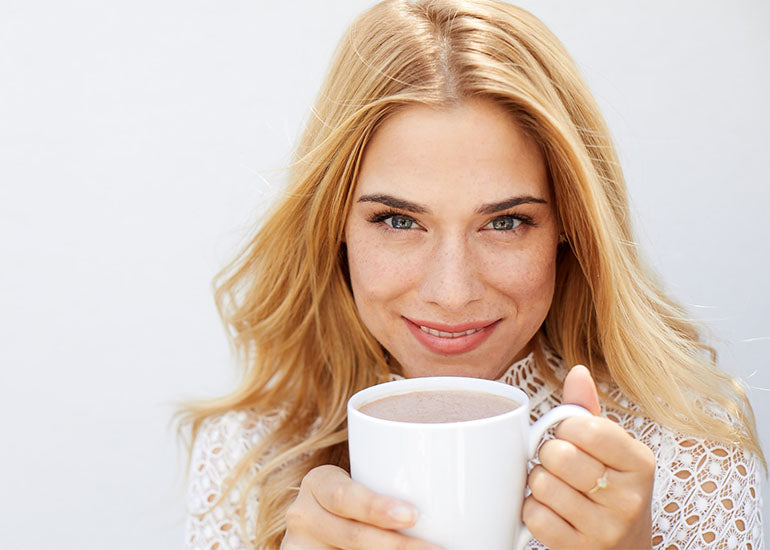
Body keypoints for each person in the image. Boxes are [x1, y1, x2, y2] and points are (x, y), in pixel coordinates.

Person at [178, 1, 765, 548]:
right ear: (335, 224)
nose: (452, 293)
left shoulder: (690, 465)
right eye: (399, 221)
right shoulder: (244, 458)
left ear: (571, 226)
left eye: (506, 222)